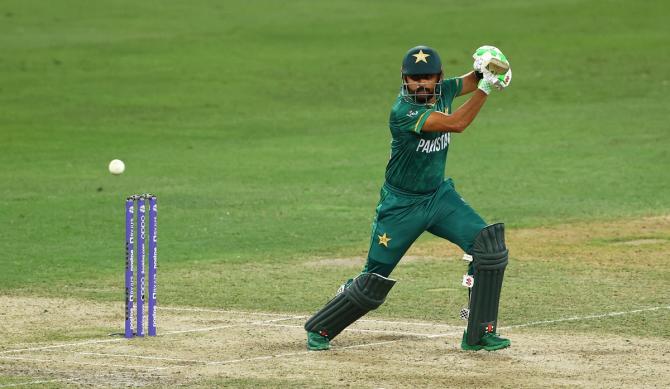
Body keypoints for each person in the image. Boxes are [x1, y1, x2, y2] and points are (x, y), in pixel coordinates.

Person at [304, 45, 513, 352]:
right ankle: (321, 328)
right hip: (401, 206)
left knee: (489, 247)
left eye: (427, 77)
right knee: (373, 280)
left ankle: (479, 333)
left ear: (438, 78)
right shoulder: (404, 112)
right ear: (404, 79)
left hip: (438, 197)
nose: (421, 84)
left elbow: (472, 79)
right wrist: (485, 89)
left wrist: (490, 68)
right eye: (414, 78)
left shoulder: (445, 89)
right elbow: (457, 123)